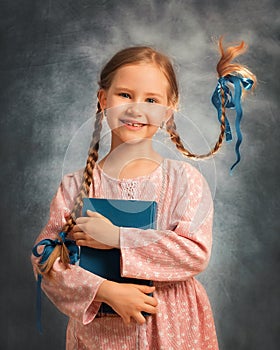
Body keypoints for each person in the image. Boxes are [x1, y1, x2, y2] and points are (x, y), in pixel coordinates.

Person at [31, 38, 256, 349]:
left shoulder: (185, 181)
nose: (136, 108)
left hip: (173, 326)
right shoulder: (74, 186)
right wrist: (103, 291)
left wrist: (118, 237)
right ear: (103, 99)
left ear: (169, 109)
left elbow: (194, 252)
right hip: (102, 336)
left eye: (151, 100)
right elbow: (47, 261)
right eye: (124, 94)